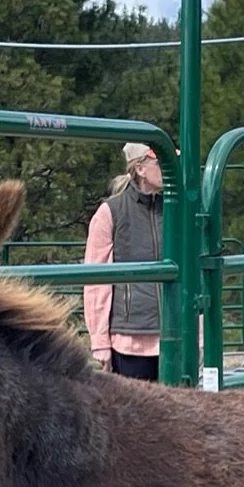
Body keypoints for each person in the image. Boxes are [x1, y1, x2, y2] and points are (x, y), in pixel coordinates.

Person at [83, 142, 164, 381]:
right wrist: (99, 341)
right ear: (140, 169)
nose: (172, 171)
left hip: (174, 335)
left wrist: (198, 334)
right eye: (162, 164)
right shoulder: (110, 212)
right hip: (129, 340)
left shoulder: (178, 209)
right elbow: (96, 281)